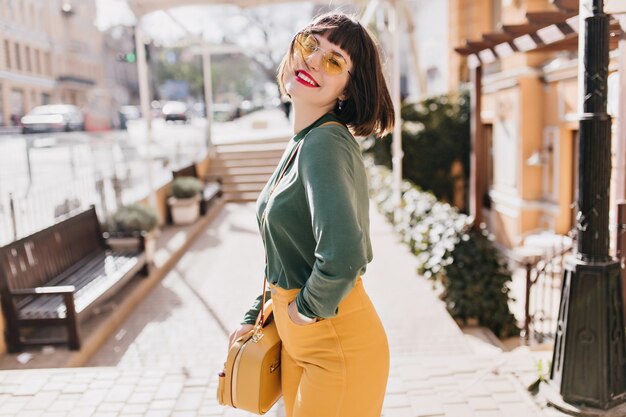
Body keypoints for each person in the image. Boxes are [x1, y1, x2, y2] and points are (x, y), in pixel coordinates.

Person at [228, 11, 394, 417]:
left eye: (334, 61)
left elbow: (343, 254)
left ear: (347, 91)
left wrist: (302, 312)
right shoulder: (303, 142)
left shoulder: (324, 144)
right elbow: (289, 250)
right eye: (310, 44)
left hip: (334, 344)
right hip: (300, 341)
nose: (314, 61)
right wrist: (259, 314)